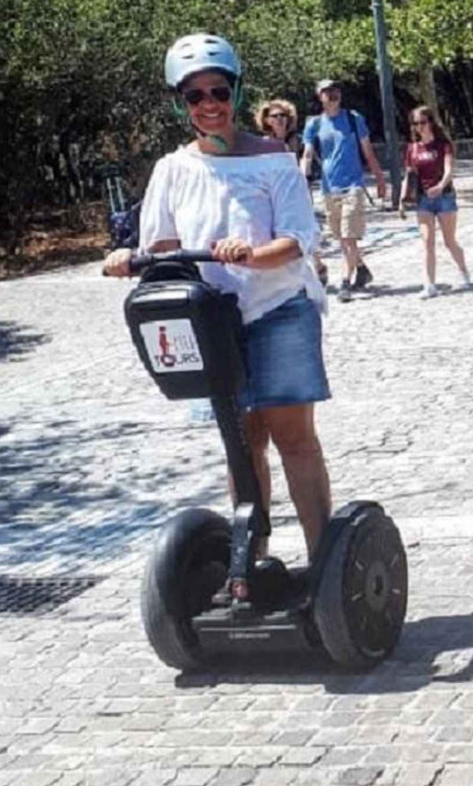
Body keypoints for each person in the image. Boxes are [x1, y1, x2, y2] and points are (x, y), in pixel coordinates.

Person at [104, 34, 333, 564]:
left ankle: (326, 566)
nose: (209, 104)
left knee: (293, 438)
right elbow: (161, 250)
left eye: (219, 92)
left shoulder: (274, 159)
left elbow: (298, 240)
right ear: (180, 103)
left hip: (278, 309)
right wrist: (127, 259)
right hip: (212, 321)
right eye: (195, 95)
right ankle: (251, 562)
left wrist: (251, 254)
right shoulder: (172, 170)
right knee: (241, 442)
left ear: (235, 93)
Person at [300, 80, 388, 303]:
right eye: (327, 91)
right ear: (320, 96)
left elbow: (367, 151)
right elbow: (307, 154)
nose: (332, 95)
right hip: (329, 188)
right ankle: (361, 268)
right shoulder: (314, 124)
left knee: (348, 238)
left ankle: (345, 283)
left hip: (353, 186)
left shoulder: (353, 118)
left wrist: (379, 177)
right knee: (341, 237)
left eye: (335, 90)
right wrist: (302, 179)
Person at [257, 97, 327, 287]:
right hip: (274, 192)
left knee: (305, 226)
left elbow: (306, 157)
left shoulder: (296, 140)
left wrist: (303, 176)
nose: (280, 119)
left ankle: (317, 265)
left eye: (283, 116)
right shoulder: (262, 145)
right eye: (275, 116)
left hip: (297, 188)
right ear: (267, 120)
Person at [405, 105, 472, 299]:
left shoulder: (443, 145)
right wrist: (402, 198)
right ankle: (429, 284)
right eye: (415, 123)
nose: (419, 127)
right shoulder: (412, 148)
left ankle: (463, 271)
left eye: (423, 122)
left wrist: (441, 186)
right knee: (427, 242)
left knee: (449, 241)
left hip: (444, 198)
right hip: (423, 199)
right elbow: (408, 175)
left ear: (431, 122)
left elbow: (449, 170)